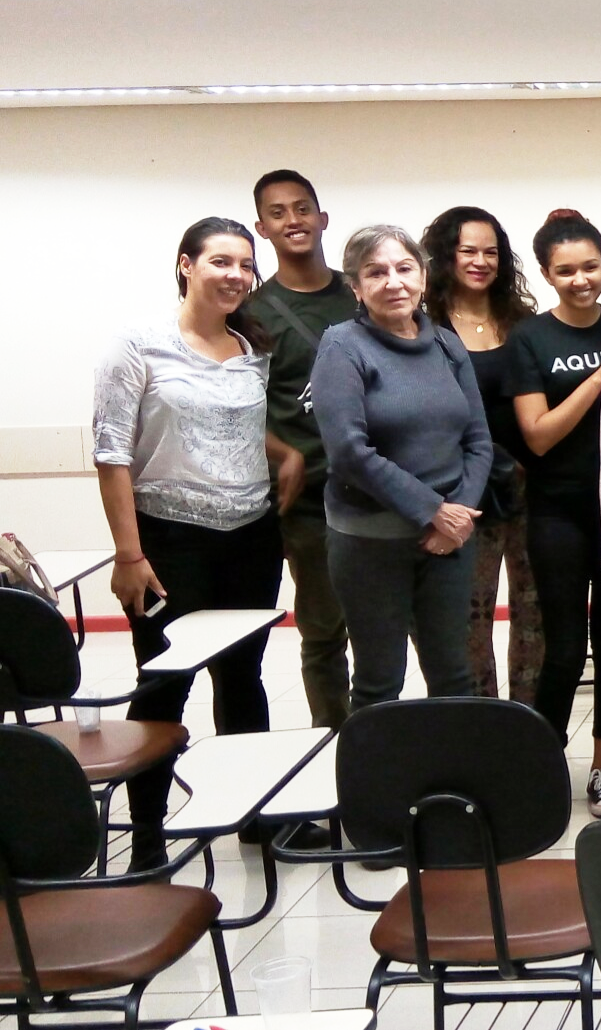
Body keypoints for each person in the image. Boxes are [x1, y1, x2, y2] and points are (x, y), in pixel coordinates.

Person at [95, 217, 289, 872]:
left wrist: (286, 455)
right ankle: (146, 833)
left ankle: (255, 817)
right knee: (164, 682)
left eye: (245, 264)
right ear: (186, 264)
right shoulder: (137, 346)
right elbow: (112, 453)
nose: (236, 275)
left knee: (242, 678)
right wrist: (128, 554)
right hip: (167, 543)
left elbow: (235, 428)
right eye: (221, 261)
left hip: (251, 538)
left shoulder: (251, 348)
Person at [313, 225, 491, 711]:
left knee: (454, 675)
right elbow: (348, 451)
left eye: (404, 268)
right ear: (356, 287)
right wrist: (433, 510)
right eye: (376, 272)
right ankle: (373, 766)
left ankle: (450, 763)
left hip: (448, 540)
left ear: (423, 278)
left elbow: (478, 440)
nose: (393, 282)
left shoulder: (447, 345)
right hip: (369, 543)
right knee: (379, 681)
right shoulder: (342, 346)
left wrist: (458, 515)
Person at [507, 209, 601, 818]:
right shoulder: (531, 339)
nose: (581, 279)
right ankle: (543, 766)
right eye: (566, 271)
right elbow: (538, 435)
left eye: (591, 266)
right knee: (564, 648)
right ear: (546, 274)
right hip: (557, 511)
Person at [245, 169, 355, 730]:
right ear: (262, 228)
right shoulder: (251, 312)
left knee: (392, 628)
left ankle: (391, 743)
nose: (293, 220)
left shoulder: (362, 292)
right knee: (324, 633)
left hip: (378, 489)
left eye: (303, 208)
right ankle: (337, 745)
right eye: (278, 212)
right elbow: (236, 405)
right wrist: (283, 454)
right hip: (308, 501)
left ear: (322, 218)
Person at [422, 205, 544, 704]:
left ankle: (531, 726)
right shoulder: (424, 327)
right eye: (468, 251)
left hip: (532, 485)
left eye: (490, 252)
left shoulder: (524, 324)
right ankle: (484, 725)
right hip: (463, 492)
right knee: (468, 617)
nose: (480, 261)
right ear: (445, 255)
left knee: (536, 613)